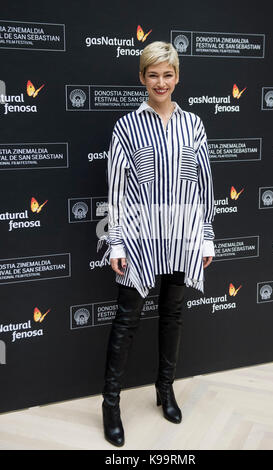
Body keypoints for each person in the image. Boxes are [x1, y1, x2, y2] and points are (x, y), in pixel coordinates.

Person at [99, 41, 216, 447]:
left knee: (173, 315)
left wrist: (205, 234)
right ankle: (110, 404)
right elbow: (116, 191)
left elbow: (204, 186)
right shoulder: (126, 127)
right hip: (140, 237)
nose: (161, 82)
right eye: (153, 75)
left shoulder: (194, 124)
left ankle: (164, 391)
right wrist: (116, 243)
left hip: (182, 236)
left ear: (177, 77)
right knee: (126, 321)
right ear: (142, 78)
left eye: (168, 74)